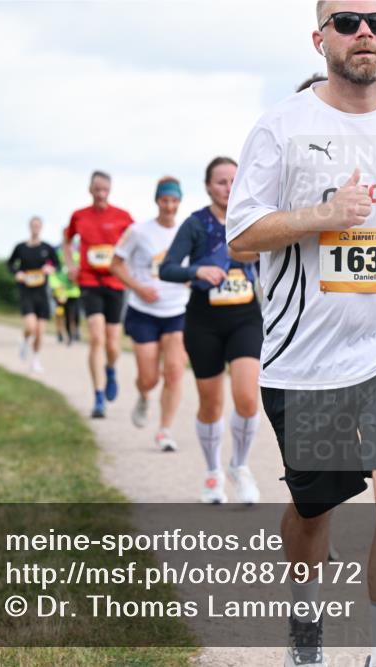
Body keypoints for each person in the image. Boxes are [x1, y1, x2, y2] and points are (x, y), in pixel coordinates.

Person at [227, 3, 376, 665]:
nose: (366, 32)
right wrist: (325, 215)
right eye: (348, 21)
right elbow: (243, 236)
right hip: (308, 356)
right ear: (320, 37)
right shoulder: (282, 125)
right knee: (313, 509)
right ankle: (305, 619)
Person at [160, 158, 263, 504]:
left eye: (234, 180)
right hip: (204, 320)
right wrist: (198, 270)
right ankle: (212, 473)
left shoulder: (254, 222)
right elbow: (167, 269)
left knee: (248, 398)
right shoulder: (195, 224)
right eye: (221, 182)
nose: (228, 188)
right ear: (207, 186)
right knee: (211, 402)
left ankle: (240, 466)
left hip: (246, 317)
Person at [112, 176, 190, 450]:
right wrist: (139, 288)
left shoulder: (186, 231)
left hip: (176, 311)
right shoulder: (138, 232)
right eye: (164, 200)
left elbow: (194, 267)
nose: (169, 206)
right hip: (143, 311)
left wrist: (193, 277)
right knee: (149, 377)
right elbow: (116, 264)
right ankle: (144, 395)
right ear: (157, 201)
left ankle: (164, 431)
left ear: (180, 202)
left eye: (174, 201)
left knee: (174, 371)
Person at [64, 171, 134, 418]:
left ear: (110, 189)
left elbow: (136, 243)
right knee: (96, 338)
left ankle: (111, 369)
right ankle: (98, 395)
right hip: (89, 280)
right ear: (90, 189)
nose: (101, 193)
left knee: (113, 343)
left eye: (105, 189)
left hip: (115, 283)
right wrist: (70, 265)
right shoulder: (79, 216)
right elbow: (66, 239)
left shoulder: (123, 217)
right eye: (97, 189)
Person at [8, 216, 60, 373]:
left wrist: (51, 269)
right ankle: (24, 340)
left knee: (40, 332)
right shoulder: (20, 247)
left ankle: (35, 359)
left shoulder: (47, 247)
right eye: (33, 225)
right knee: (31, 327)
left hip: (42, 292)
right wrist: (18, 273)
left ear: (41, 227)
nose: (35, 228)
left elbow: (56, 264)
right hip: (26, 292)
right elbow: (10, 264)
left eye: (38, 225)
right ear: (29, 227)